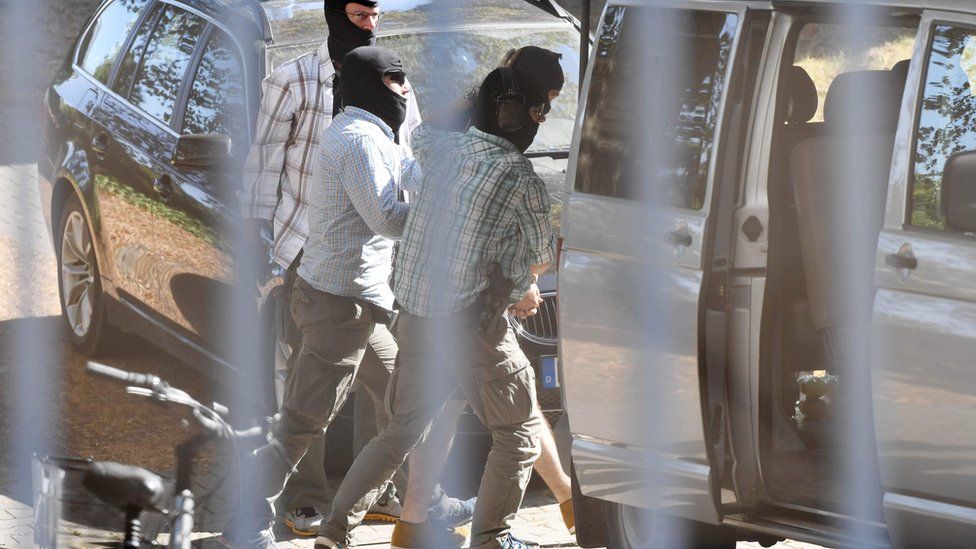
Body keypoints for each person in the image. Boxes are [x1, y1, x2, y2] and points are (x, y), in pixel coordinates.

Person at [315, 47, 566, 549]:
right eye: (543, 108)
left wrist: (496, 80)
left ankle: (333, 532)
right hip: (474, 328)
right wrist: (523, 289)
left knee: (401, 430)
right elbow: (539, 259)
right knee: (517, 436)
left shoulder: (438, 149)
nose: (543, 117)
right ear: (519, 115)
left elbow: (430, 120)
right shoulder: (521, 179)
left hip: (415, 317)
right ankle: (492, 539)